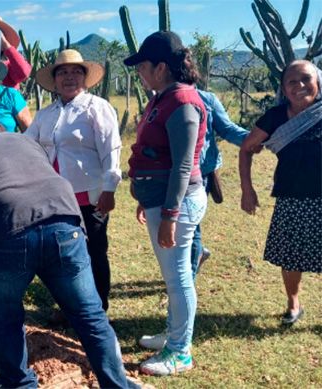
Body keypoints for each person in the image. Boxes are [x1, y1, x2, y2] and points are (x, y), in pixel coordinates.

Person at [0, 132, 138, 389]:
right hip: (64, 220)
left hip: (7, 227)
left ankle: (20, 385)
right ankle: (117, 384)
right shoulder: (26, 142)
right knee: (89, 314)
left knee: (5, 317)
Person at [124, 31, 207, 376]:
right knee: (173, 275)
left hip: (179, 203)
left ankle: (180, 351)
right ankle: (174, 334)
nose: (139, 73)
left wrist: (170, 213)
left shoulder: (183, 102)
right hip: (161, 201)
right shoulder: (162, 97)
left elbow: (183, 164)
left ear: (161, 67)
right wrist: (147, 198)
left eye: (142, 66)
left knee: (178, 278)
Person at [25, 49, 121, 312]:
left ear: (85, 77)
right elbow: (28, 144)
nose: (69, 77)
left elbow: (111, 149)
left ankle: (98, 309)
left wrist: (109, 188)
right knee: (63, 254)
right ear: (55, 80)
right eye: (63, 72)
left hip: (90, 196)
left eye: (76, 72)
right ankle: (71, 307)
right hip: (56, 198)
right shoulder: (46, 114)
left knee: (94, 253)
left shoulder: (96, 108)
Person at [239, 60, 322, 325]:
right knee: (291, 256)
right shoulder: (274, 117)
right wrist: (247, 189)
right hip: (291, 195)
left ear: (318, 81)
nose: (299, 86)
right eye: (292, 82)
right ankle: (294, 303)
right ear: (284, 89)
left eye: (306, 79)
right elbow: (246, 148)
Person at [191, 90, 249, 278]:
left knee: (190, 225)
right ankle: (197, 255)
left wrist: (258, 138)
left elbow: (227, 129)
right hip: (167, 174)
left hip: (200, 173)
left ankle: (187, 277)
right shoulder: (158, 96)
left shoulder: (207, 99)